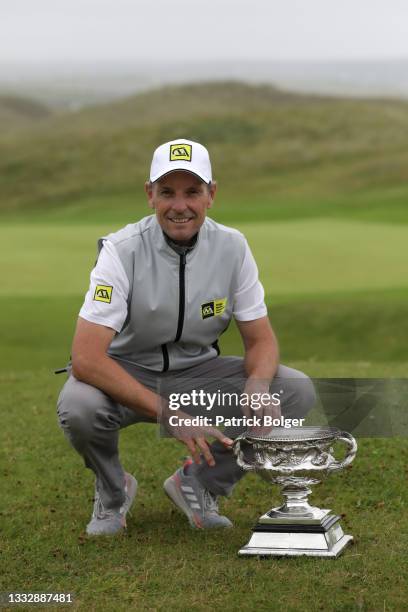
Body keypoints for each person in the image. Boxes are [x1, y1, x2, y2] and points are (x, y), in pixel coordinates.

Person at [56, 138, 316, 536]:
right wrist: (169, 414)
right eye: (167, 192)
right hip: (127, 373)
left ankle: (198, 483)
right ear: (149, 195)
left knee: (293, 388)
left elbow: (260, 340)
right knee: (79, 406)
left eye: (192, 192)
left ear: (211, 195)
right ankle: (112, 491)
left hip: (198, 374)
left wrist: (258, 385)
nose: (180, 206)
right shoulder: (120, 250)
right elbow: (86, 358)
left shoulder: (232, 247)